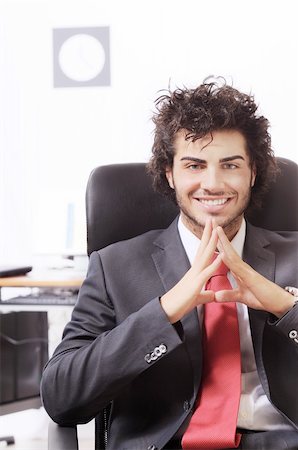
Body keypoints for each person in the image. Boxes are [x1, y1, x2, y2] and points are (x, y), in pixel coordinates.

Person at [41, 78, 298, 450]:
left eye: (230, 165)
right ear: (169, 173)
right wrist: (164, 313)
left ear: (253, 173)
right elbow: (62, 397)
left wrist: (285, 307)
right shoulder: (114, 267)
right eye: (194, 165)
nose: (212, 183)